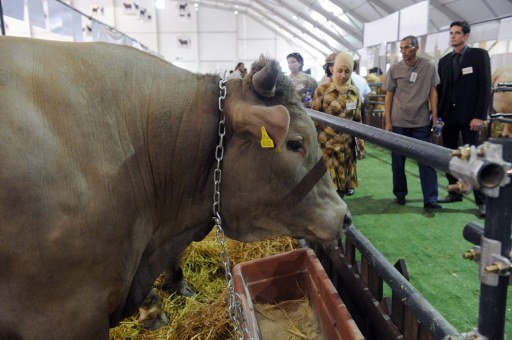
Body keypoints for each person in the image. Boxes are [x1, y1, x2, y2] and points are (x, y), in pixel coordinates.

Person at [437, 21, 491, 217]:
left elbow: (485, 87)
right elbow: (442, 91)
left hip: (471, 119)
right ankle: (455, 192)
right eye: (451, 33)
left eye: (457, 33)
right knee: (449, 156)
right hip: (449, 118)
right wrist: (439, 118)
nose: (453, 36)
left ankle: (482, 202)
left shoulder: (478, 56)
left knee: (472, 158)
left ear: (466, 36)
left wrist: (479, 116)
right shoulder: (444, 61)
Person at [383, 35, 441, 211]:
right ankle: (400, 194)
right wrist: (388, 121)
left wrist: (435, 118)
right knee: (398, 162)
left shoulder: (429, 67)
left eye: (406, 47)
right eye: (401, 48)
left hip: (421, 122)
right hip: (399, 122)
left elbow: (433, 92)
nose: (403, 51)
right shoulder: (394, 69)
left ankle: (430, 199)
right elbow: (389, 95)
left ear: (416, 48)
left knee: (427, 161)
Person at [312, 52, 365, 198]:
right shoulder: (322, 90)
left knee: (341, 190)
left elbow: (357, 121)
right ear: (333, 69)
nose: (343, 75)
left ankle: (339, 217)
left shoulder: (355, 93)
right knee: (327, 189)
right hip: (326, 147)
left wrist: (360, 144)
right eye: (339, 71)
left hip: (346, 148)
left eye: (347, 71)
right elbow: (314, 119)